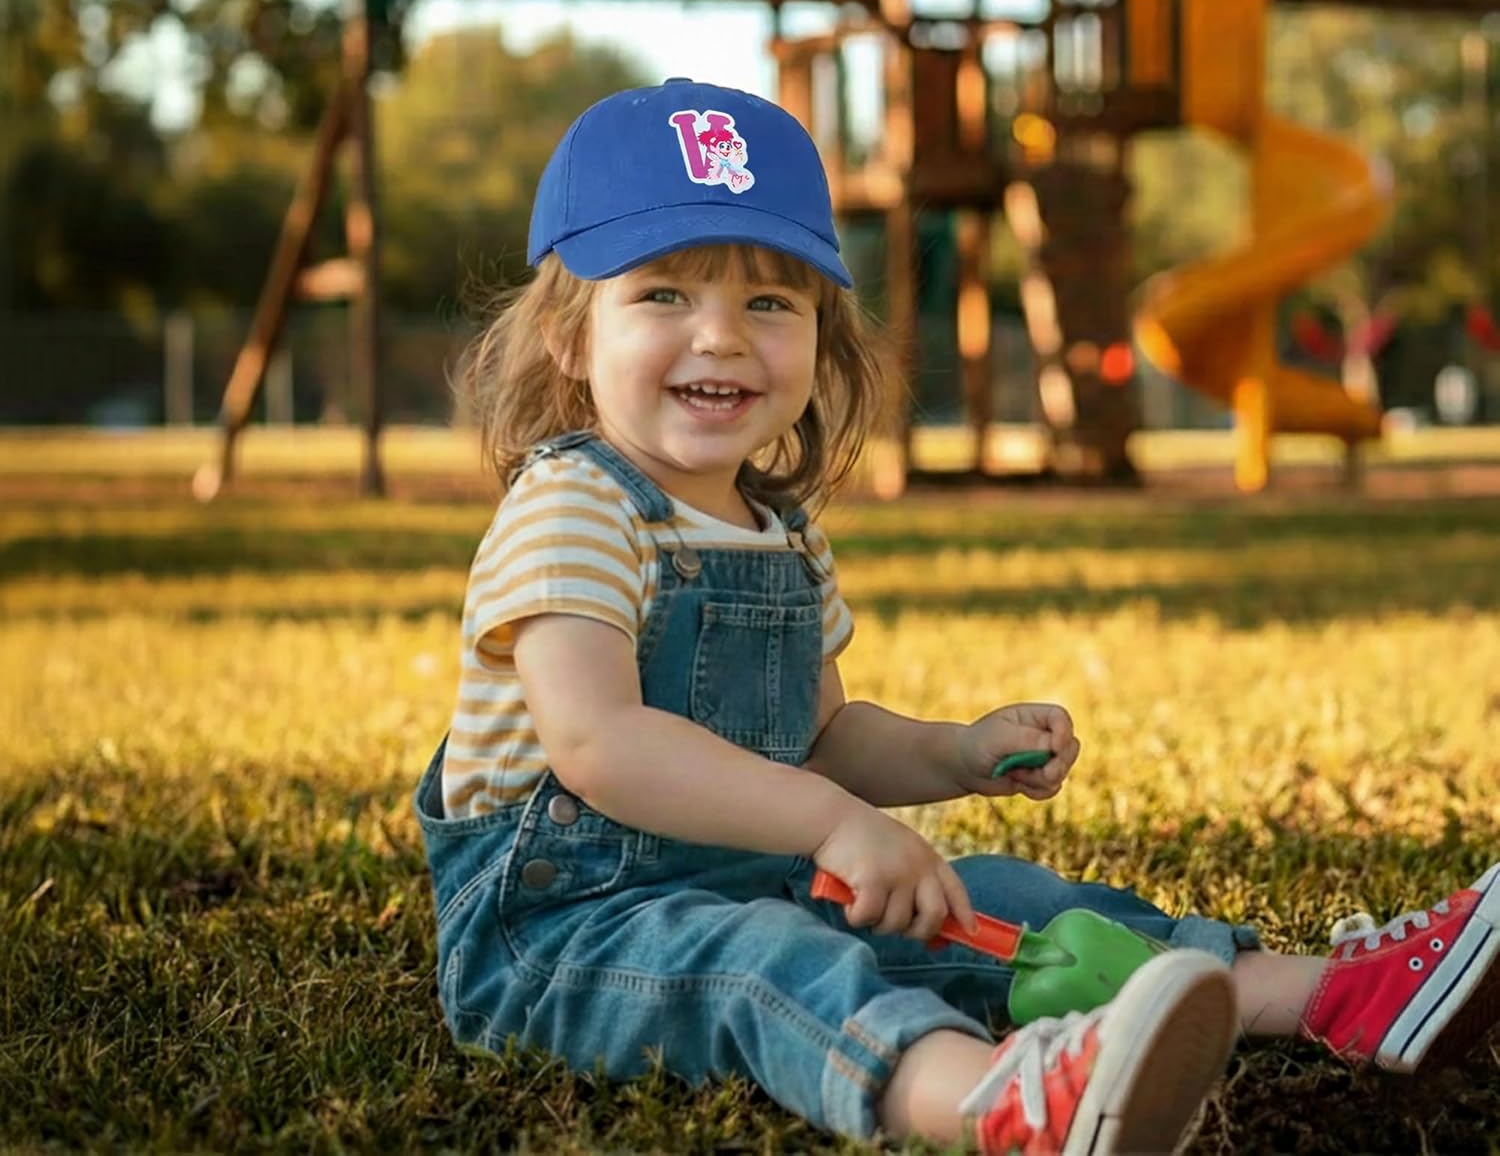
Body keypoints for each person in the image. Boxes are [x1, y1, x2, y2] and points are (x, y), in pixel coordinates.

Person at [413, 78, 1500, 1155]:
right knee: (769, 968)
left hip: (772, 873)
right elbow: (602, 746)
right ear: (567, 333)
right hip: (566, 928)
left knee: (1007, 901)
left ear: (821, 332)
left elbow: (824, 738)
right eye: (662, 295)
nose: (722, 338)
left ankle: (1333, 997)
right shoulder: (572, 505)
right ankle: (999, 1102)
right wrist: (831, 826)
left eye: (769, 302)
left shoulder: (777, 527)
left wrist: (956, 752)